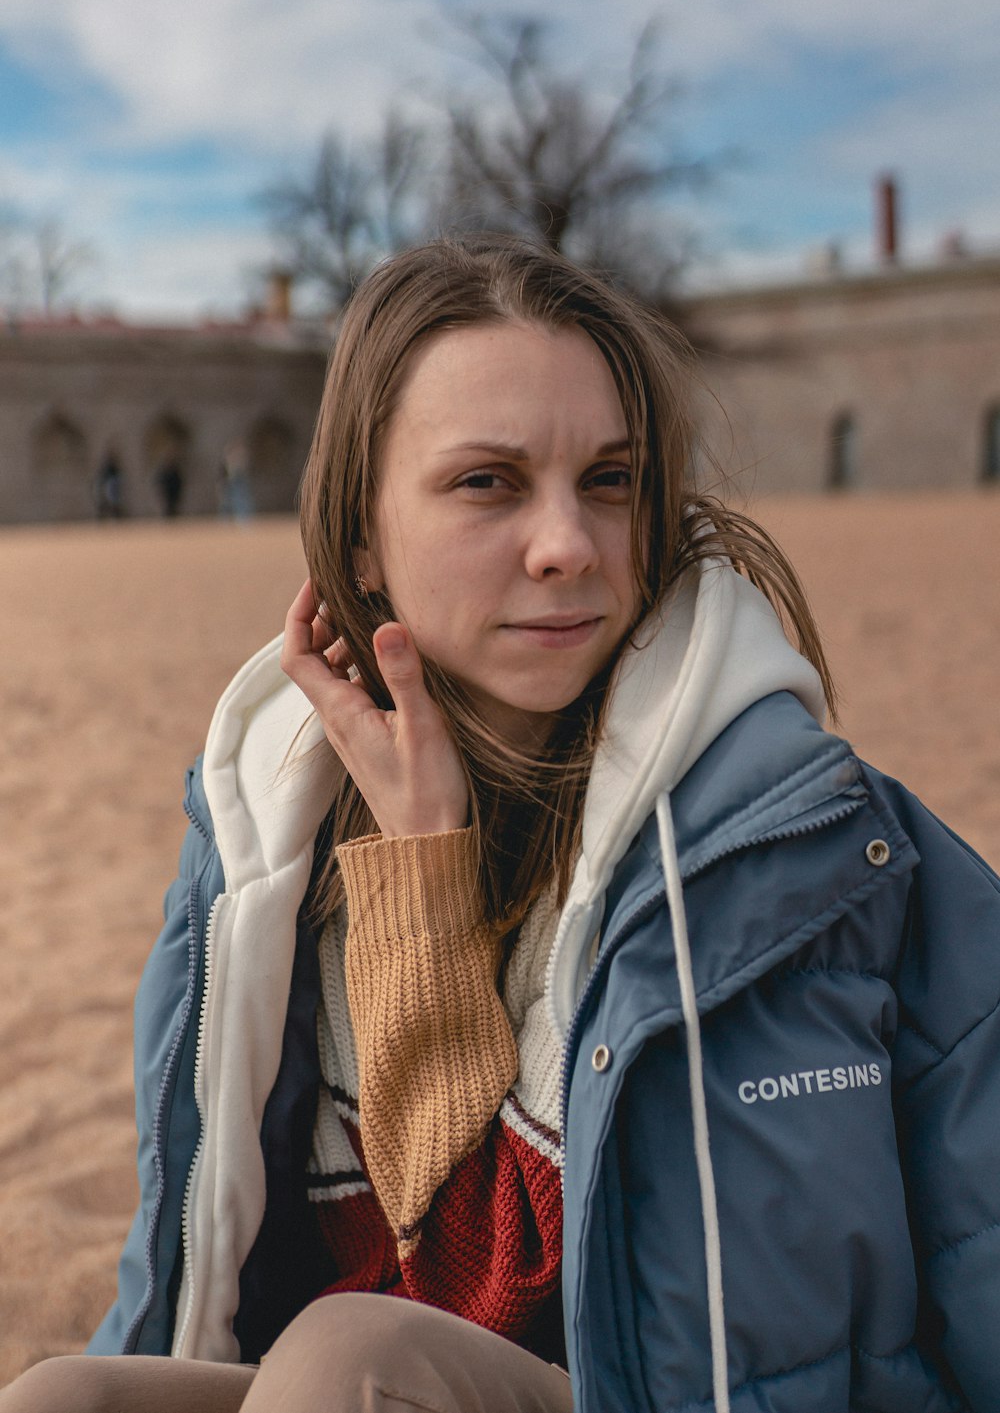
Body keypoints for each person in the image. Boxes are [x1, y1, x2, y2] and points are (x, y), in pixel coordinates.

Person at [4, 235, 999, 1413]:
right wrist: (411, 849)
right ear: (361, 531)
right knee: (70, 1394)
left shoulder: (824, 847)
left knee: (342, 1365)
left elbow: (478, 1297)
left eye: (610, 479)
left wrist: (425, 899)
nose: (567, 543)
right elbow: (210, 1270)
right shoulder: (263, 842)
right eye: (489, 481)